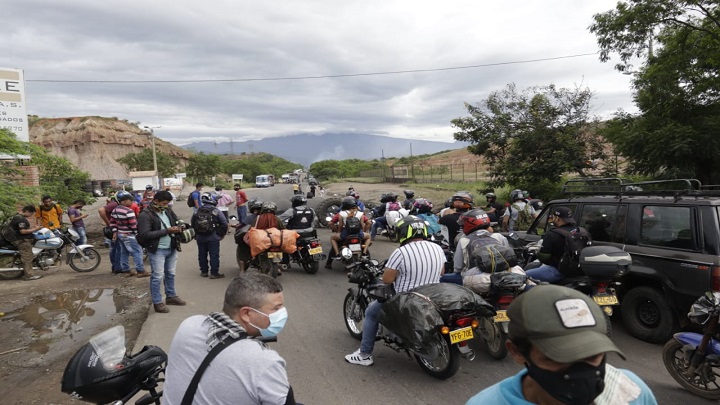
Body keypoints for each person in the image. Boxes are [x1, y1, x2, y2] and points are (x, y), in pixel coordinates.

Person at [465, 285, 657, 405]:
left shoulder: (631, 391)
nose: (580, 374)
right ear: (517, 352)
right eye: (557, 357)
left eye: (591, 355)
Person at [163, 273, 299, 405]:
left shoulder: (189, 324)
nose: (282, 313)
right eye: (276, 308)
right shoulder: (264, 361)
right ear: (246, 314)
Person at [345, 216, 445, 366]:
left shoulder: (401, 252)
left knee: (371, 313)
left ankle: (364, 355)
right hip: (432, 295)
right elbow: (441, 272)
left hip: (405, 299)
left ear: (403, 232)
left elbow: (387, 280)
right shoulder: (437, 248)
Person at [137, 190, 187, 313]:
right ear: (156, 201)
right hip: (157, 250)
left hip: (171, 247)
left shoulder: (168, 210)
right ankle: (157, 302)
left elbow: (176, 220)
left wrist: (181, 226)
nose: (166, 205)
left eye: (168, 203)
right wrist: (167, 231)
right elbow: (144, 234)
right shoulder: (145, 215)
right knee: (157, 276)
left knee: (170, 273)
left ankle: (171, 296)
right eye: (164, 203)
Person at [525, 206, 589, 284]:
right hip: (580, 270)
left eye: (553, 217)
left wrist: (537, 253)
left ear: (557, 218)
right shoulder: (582, 231)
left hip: (559, 271)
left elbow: (544, 258)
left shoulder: (553, 234)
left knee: (523, 275)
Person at [110, 193, 149, 278]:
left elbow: (112, 223)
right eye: (131, 201)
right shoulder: (129, 211)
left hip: (120, 234)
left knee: (124, 252)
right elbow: (133, 224)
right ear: (125, 201)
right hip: (130, 234)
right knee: (137, 252)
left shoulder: (115, 210)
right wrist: (137, 234)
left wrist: (115, 232)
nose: (132, 202)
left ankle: (126, 270)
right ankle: (140, 270)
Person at [326, 197, 371, 269]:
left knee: (333, 239)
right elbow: (363, 225)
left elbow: (340, 226)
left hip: (346, 234)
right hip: (358, 234)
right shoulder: (360, 213)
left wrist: (338, 231)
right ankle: (364, 252)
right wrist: (363, 232)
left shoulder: (341, 214)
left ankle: (336, 255)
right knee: (368, 237)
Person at [192, 192, 228, 279]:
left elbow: (193, 223)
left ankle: (204, 272)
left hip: (200, 237)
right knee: (214, 255)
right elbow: (224, 224)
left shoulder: (197, 211)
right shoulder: (216, 211)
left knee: (202, 254)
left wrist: (195, 235)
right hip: (213, 237)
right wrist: (221, 234)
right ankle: (214, 273)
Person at [3, 205, 43, 280]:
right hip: (22, 241)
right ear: (27, 211)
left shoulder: (17, 216)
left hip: (18, 239)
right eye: (31, 214)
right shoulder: (20, 219)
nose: (31, 216)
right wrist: (35, 229)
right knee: (27, 257)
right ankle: (29, 275)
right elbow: (23, 231)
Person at [99, 192, 124, 273]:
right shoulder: (114, 204)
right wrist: (108, 223)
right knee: (118, 248)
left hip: (113, 228)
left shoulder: (114, 204)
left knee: (114, 248)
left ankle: (115, 266)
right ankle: (118, 267)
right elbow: (101, 210)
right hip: (113, 229)